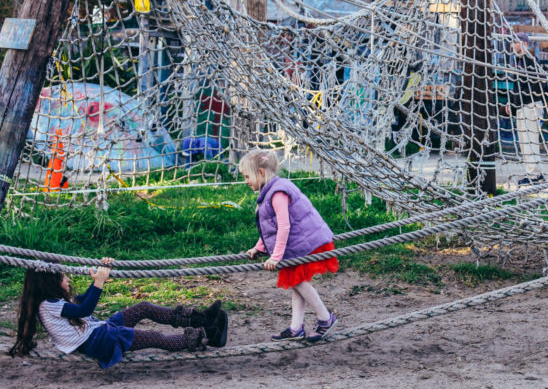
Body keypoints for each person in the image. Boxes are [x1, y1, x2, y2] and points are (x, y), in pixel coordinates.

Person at [8, 260, 227, 367]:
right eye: (63, 277)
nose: (68, 279)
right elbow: (85, 309)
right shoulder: (49, 305)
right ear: (50, 283)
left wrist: (96, 281)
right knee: (154, 337)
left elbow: (81, 302)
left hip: (100, 331)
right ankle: (206, 337)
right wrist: (100, 283)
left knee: (144, 307)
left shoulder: (56, 301)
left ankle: (202, 319)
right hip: (99, 341)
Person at [242, 149, 339, 343]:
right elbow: (269, 227)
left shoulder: (278, 193)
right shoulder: (269, 191)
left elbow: (284, 227)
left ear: (261, 173)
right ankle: (296, 328)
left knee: (298, 282)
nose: (245, 181)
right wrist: (259, 247)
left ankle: (325, 318)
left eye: (246, 176)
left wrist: (276, 257)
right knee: (296, 283)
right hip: (298, 243)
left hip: (307, 243)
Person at [507, 33, 548, 185]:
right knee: (527, 141)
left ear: (524, 44)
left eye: (515, 43)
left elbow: (528, 87)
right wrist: (511, 104)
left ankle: (534, 176)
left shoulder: (529, 62)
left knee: (529, 141)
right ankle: (535, 173)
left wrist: (514, 103)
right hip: (525, 105)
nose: (512, 46)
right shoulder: (521, 62)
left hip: (530, 105)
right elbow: (519, 87)